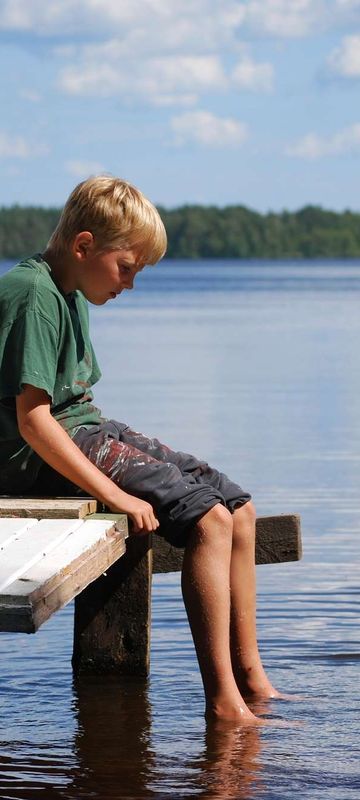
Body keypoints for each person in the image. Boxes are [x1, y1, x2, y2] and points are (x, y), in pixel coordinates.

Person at [0, 176, 279, 723]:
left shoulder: (69, 288)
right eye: (127, 267)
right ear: (83, 246)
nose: (130, 284)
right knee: (210, 522)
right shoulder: (34, 296)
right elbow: (33, 421)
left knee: (239, 510)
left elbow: (77, 406)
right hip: (33, 457)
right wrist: (114, 495)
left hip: (81, 428)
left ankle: (253, 680)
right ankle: (223, 703)